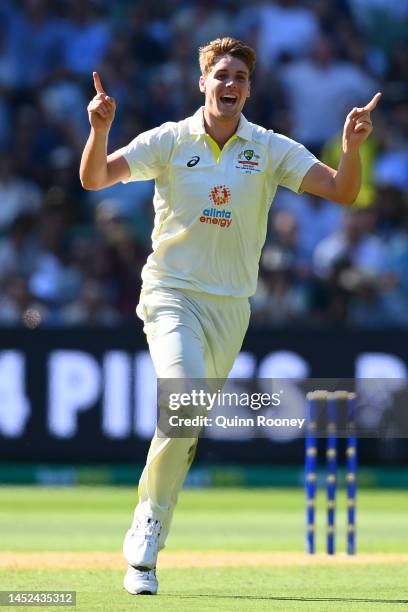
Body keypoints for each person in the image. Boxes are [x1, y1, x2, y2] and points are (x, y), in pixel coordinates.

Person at [80, 37, 381, 596]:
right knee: (184, 395)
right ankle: (147, 533)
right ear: (202, 83)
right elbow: (95, 179)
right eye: (221, 74)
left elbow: (342, 191)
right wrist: (98, 130)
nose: (230, 84)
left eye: (240, 77)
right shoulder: (170, 140)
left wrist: (351, 146)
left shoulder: (267, 148)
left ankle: (153, 513)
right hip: (171, 293)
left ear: (249, 88)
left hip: (231, 308)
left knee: (187, 419)